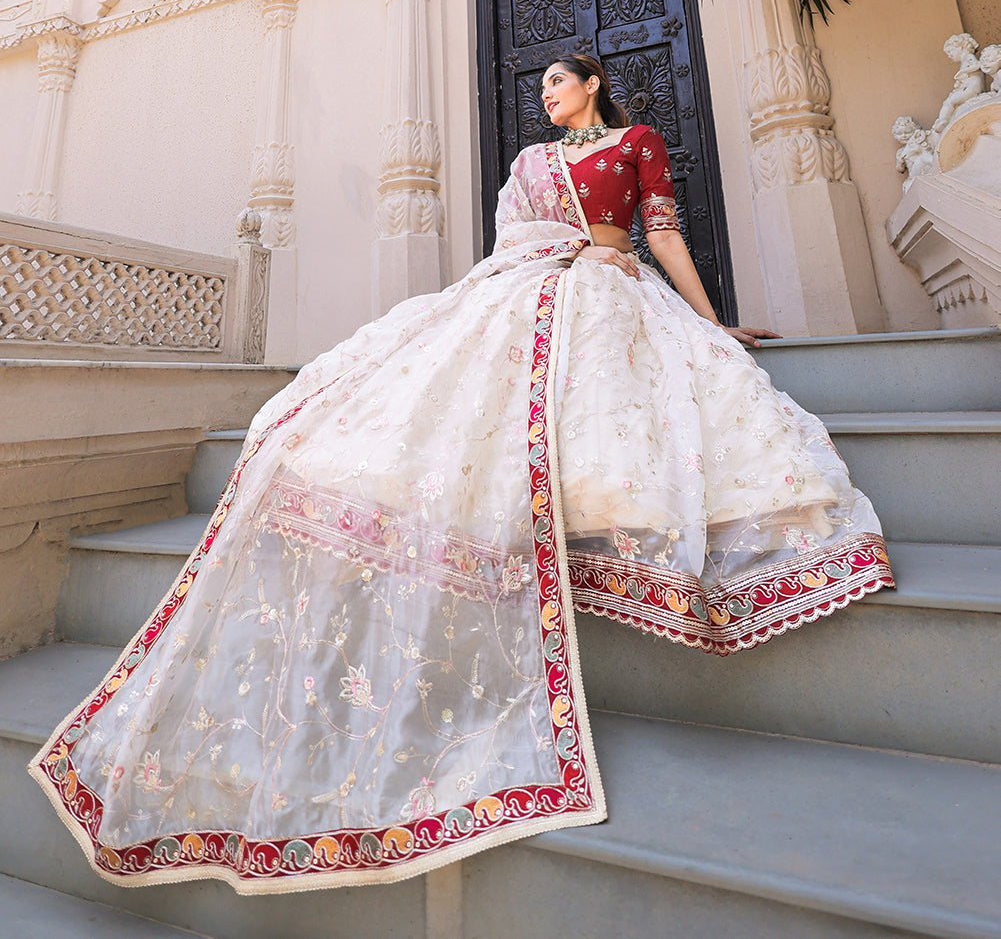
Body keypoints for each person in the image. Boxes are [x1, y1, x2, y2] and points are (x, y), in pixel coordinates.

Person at [30, 53, 894, 893]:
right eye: (543, 85)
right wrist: (563, 250)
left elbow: (659, 232)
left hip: (612, 286)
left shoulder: (637, 146)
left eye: (559, 81)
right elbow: (514, 239)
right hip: (533, 280)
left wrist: (713, 324)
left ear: (593, 85)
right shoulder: (528, 163)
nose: (546, 94)